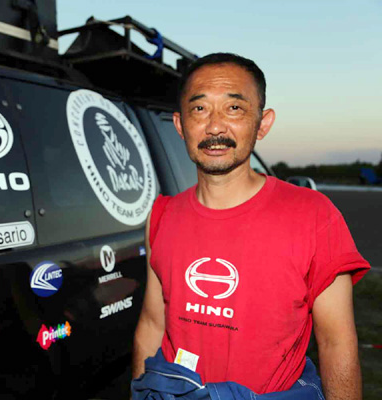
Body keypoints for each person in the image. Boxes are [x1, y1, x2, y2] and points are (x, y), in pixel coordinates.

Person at [132, 53, 370, 400]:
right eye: (199, 109)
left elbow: (336, 343)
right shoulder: (161, 215)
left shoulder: (314, 215)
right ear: (180, 124)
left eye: (234, 109)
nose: (215, 127)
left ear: (262, 123)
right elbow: (153, 325)